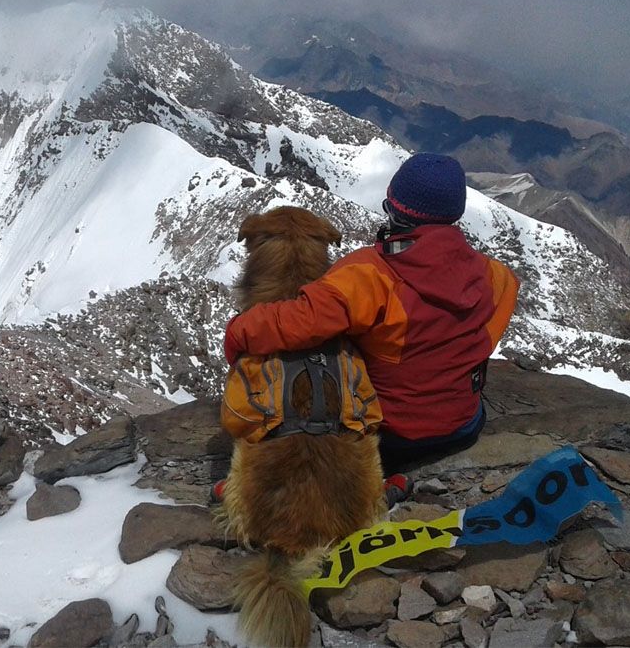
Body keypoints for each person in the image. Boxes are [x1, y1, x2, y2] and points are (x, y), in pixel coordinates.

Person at [223, 153, 520, 481]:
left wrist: (237, 331)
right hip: (466, 426)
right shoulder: (496, 277)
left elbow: (297, 321)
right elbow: (481, 339)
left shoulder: (368, 276)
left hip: (392, 437)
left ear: (395, 210)